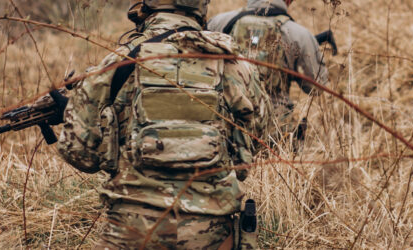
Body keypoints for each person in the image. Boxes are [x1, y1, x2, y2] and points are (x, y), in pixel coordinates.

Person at [51, 0, 261, 248]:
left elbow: (80, 154)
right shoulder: (234, 64)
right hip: (209, 231)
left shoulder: (118, 63)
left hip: (131, 229)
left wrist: (96, 126)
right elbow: (256, 140)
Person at [207, 0, 330, 149]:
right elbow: (316, 86)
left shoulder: (219, 22)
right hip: (275, 133)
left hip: (227, 126)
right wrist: (294, 65)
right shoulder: (299, 33)